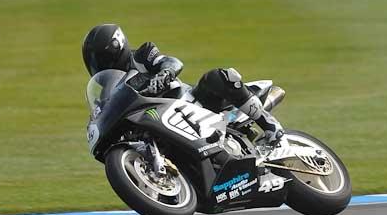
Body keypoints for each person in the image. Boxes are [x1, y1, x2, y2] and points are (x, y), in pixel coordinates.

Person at [82, 23, 285, 145]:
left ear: (118, 47)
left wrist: (164, 74)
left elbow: (171, 62)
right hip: (154, 124)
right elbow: (101, 114)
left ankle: (270, 125)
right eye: (94, 62)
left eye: (102, 58)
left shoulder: (142, 55)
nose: (100, 65)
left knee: (215, 77)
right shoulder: (107, 91)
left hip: (191, 104)